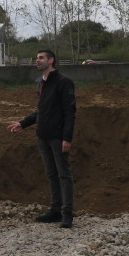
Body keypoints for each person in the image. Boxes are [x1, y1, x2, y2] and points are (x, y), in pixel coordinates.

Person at [8, 49, 77, 229]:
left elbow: (70, 112)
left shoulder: (64, 83)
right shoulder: (40, 83)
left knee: (64, 174)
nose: (37, 61)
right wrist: (23, 123)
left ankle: (67, 213)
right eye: (37, 58)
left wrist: (67, 138)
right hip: (43, 136)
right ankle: (55, 210)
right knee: (51, 174)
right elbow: (42, 111)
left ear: (51, 60)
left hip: (58, 136)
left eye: (41, 58)